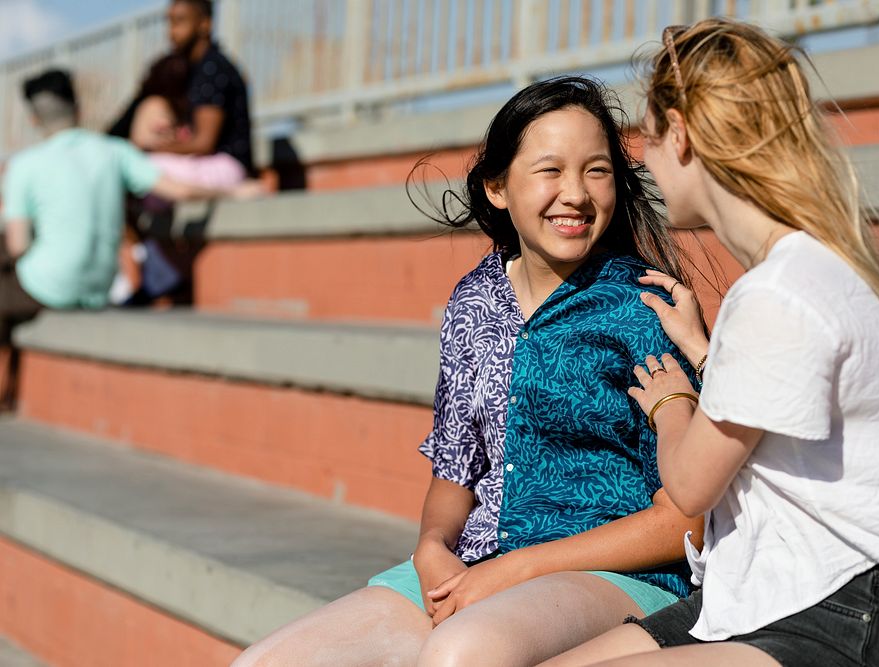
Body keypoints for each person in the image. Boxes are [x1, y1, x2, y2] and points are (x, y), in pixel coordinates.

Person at [542, 18, 879, 667]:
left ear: (684, 134)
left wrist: (672, 399)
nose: (643, 159)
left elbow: (692, 485)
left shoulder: (778, 291)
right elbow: (784, 417)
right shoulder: (807, 271)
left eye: (650, 136)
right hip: (760, 592)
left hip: (829, 616)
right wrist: (706, 352)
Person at [233, 77, 705, 667]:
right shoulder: (474, 302)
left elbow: (686, 518)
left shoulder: (646, 310)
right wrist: (432, 545)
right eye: (549, 170)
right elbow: (457, 466)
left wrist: (519, 568)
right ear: (498, 187)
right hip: (476, 564)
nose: (577, 194)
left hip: (611, 575)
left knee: (461, 655)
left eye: (597, 170)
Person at [0, 70, 258, 399]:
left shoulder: (24, 165)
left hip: (49, 290)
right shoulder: (115, 151)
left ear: (34, 118)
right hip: (99, 288)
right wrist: (234, 193)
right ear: (78, 109)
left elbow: (18, 245)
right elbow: (179, 190)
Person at [149, 0, 254, 189]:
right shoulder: (196, 68)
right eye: (170, 22)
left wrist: (158, 149)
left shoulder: (212, 68)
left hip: (228, 166)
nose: (171, 32)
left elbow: (204, 143)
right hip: (212, 163)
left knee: (142, 167)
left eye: (179, 21)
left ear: (204, 24)